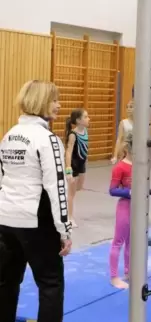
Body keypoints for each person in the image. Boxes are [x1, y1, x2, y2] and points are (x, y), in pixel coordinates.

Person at [0, 80, 72, 322]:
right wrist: (65, 229)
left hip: (5, 221)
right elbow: (57, 188)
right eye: (54, 100)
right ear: (41, 102)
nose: (59, 105)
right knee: (51, 284)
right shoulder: (47, 139)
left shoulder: (10, 135)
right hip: (35, 222)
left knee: (6, 282)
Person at [108, 133, 151, 289]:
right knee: (119, 241)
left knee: (131, 242)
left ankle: (128, 271)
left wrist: (149, 191)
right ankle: (114, 276)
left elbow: (139, 186)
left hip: (137, 207)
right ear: (131, 148)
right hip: (125, 206)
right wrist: (128, 193)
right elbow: (112, 190)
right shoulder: (120, 167)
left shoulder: (139, 166)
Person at [64, 108, 90, 228]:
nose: (88, 119)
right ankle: (69, 218)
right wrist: (68, 170)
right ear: (79, 120)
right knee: (71, 193)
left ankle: (68, 194)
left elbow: (85, 149)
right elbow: (68, 152)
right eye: (86, 117)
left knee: (79, 187)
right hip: (73, 165)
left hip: (82, 164)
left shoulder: (85, 131)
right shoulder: (73, 135)